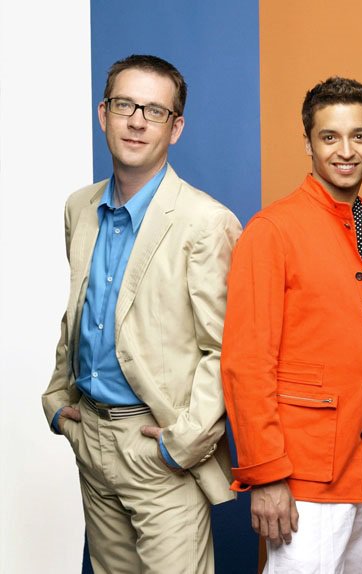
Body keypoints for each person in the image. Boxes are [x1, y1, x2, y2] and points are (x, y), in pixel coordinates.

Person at [41, 54, 240, 573]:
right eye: (124, 105)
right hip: (91, 435)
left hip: (157, 449)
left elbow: (225, 348)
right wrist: (58, 402)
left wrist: (184, 442)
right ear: (102, 113)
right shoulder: (80, 207)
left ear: (175, 128)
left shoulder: (205, 222)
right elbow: (80, 310)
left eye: (154, 111)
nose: (136, 121)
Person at [221, 76, 362, 573]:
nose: (346, 151)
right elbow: (246, 363)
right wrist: (266, 476)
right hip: (303, 475)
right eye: (330, 137)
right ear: (308, 143)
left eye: (359, 136)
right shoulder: (272, 230)